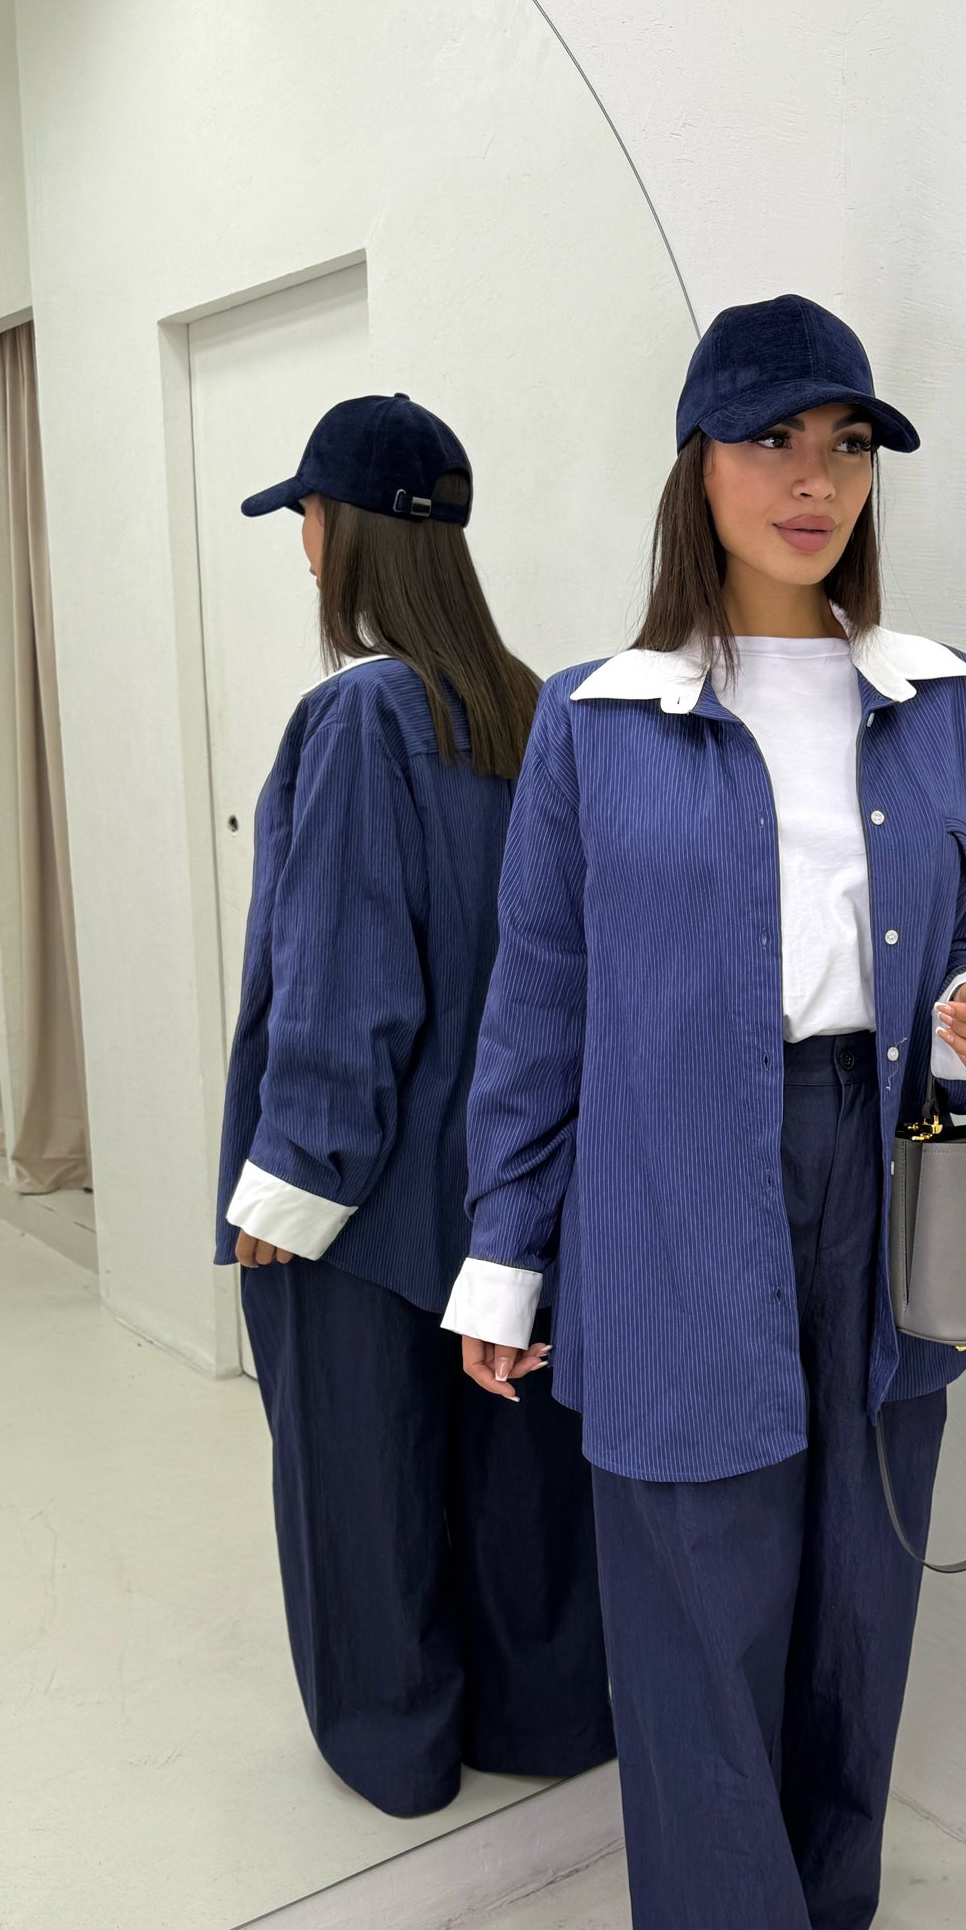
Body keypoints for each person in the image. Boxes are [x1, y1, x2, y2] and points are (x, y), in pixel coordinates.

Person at [441, 300, 966, 1930]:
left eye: (845, 444)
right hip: (667, 1187)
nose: (814, 480)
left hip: (883, 1174)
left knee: (862, 1589)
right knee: (695, 1596)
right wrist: (505, 1253)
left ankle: (813, 1919)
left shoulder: (953, 707)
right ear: (695, 466)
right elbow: (536, 1001)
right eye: (771, 441)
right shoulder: (596, 722)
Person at [215, 393, 614, 1819]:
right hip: (513, 1189)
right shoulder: (536, 708)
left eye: (304, 518)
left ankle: (393, 1748)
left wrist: (287, 1191)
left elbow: (345, 982)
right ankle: (545, 1718)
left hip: (369, 1193)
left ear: (333, 531)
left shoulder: (359, 716)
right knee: (517, 1473)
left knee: (361, 1485)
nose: (302, 543)